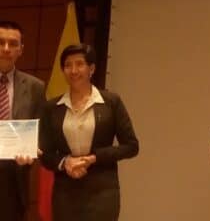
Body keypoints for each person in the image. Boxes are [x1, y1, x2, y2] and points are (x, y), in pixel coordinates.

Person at [39, 43, 139, 221]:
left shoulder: (110, 102)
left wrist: (95, 157)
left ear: (91, 68)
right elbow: (44, 154)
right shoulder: (51, 108)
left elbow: (131, 146)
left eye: (79, 64)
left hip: (103, 191)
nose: (73, 70)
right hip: (65, 192)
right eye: (68, 65)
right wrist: (65, 162)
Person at [0, 20, 46, 221]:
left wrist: (33, 149)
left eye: (13, 44)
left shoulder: (35, 87)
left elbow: (42, 131)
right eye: (0, 42)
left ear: (21, 50)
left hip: (14, 180)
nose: (6, 49)